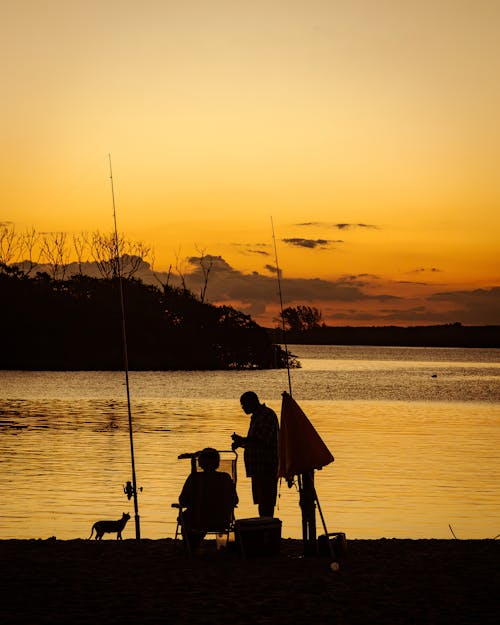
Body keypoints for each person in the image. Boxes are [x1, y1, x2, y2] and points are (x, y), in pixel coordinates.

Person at [178, 447, 238, 550]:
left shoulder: (194, 478)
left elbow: (183, 500)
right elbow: (235, 500)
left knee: (186, 517)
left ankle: (190, 547)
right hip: (222, 521)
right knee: (197, 516)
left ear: (200, 463)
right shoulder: (225, 478)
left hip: (198, 521)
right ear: (217, 463)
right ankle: (192, 546)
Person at [231, 391, 279, 517]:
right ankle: (264, 525)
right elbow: (254, 442)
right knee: (261, 501)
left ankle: (267, 526)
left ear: (251, 402)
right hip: (258, 468)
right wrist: (241, 443)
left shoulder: (266, 415)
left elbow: (262, 441)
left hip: (267, 466)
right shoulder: (257, 416)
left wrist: (242, 440)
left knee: (266, 501)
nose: (243, 408)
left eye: (243, 405)